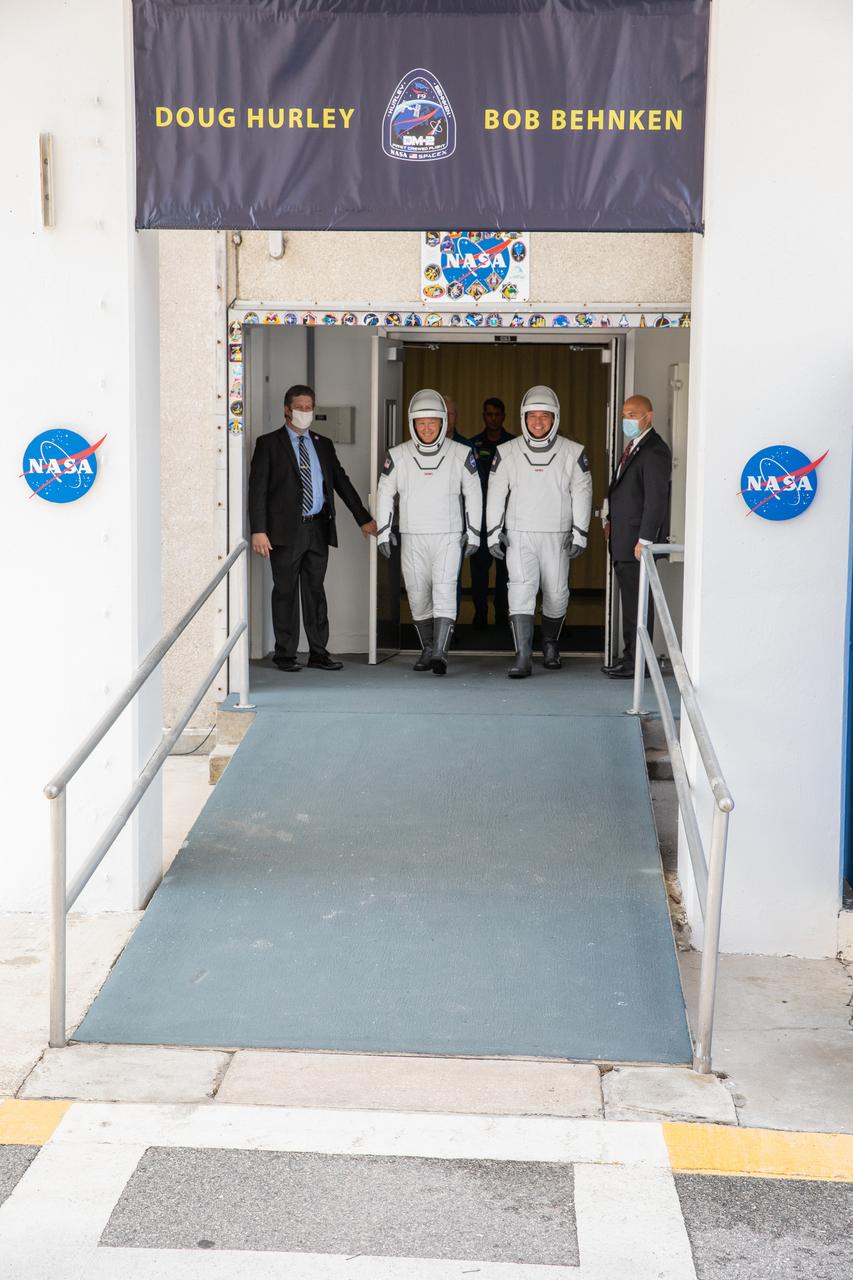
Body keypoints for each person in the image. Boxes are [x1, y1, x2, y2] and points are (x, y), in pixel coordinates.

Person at [248, 384, 376, 672]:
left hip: (317, 528)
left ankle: (319, 652)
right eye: (300, 407)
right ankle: (285, 655)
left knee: (315, 591)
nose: (305, 412)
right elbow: (257, 490)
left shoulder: (322, 443)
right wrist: (259, 530)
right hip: (283, 532)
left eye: (309, 407)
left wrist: (363, 518)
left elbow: (341, 483)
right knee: (285, 591)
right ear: (286, 409)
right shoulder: (269, 444)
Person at [486, 385, 592, 679]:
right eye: (532, 416)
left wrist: (580, 531)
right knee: (520, 591)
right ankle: (522, 656)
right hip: (519, 534)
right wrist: (494, 531)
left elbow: (582, 492)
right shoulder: (506, 452)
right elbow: (495, 493)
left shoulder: (573, 452)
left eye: (544, 416)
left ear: (555, 418)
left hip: (557, 534)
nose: (538, 422)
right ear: (523, 418)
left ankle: (550, 644)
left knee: (557, 593)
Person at [376, 389, 482, 675]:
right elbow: (385, 492)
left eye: (432, 422)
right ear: (412, 424)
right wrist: (384, 530)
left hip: (448, 535)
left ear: (443, 422)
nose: (426, 428)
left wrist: (473, 531)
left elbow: (474, 492)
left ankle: (440, 653)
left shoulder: (461, 453)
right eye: (421, 422)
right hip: (412, 535)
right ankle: (427, 647)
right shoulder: (398, 455)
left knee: (445, 589)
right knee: (417, 593)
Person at [602, 394, 672, 679]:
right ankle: (631, 657)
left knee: (638, 604)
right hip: (623, 538)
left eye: (633, 414)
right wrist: (610, 520)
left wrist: (644, 540)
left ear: (649, 416)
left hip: (637, 544)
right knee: (630, 602)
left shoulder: (655, 450)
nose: (627, 419)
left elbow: (656, 500)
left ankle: (637, 662)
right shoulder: (634, 446)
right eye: (624, 414)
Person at [467, 397, 513, 628]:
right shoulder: (472, 445)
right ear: (483, 416)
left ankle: (503, 613)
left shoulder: (514, 445)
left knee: (506, 570)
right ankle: (480, 613)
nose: (493, 418)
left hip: (507, 518)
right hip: (480, 517)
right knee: (479, 570)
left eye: (496, 414)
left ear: (503, 416)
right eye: (488, 414)